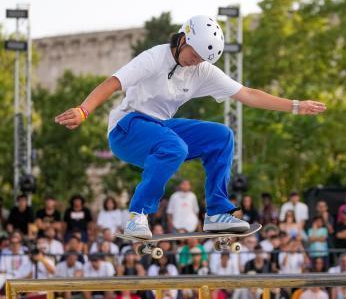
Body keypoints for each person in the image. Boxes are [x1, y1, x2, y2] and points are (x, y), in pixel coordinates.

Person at [55, 15, 326, 238]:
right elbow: (113, 82)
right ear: (183, 39)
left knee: (222, 136)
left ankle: (217, 213)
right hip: (127, 128)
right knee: (175, 147)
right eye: (193, 54)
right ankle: (137, 215)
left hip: (160, 128)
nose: (194, 62)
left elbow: (248, 94)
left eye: (200, 60)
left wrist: (295, 105)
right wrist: (84, 110)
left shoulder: (203, 71)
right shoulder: (154, 58)